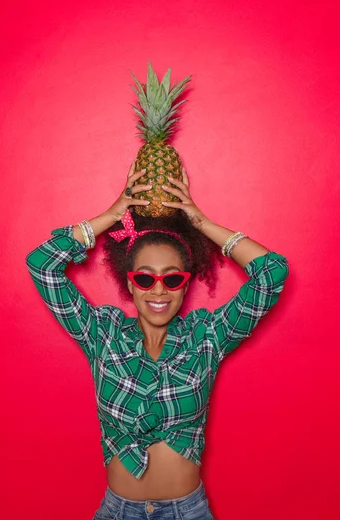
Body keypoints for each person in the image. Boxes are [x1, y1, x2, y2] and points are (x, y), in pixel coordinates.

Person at [25, 161, 289, 520]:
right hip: (118, 511)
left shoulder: (206, 336)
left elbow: (272, 273)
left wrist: (201, 224)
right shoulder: (102, 333)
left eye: (172, 278)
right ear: (130, 284)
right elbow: (42, 265)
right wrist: (111, 215)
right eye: (146, 279)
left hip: (187, 512)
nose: (159, 289)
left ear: (186, 283)